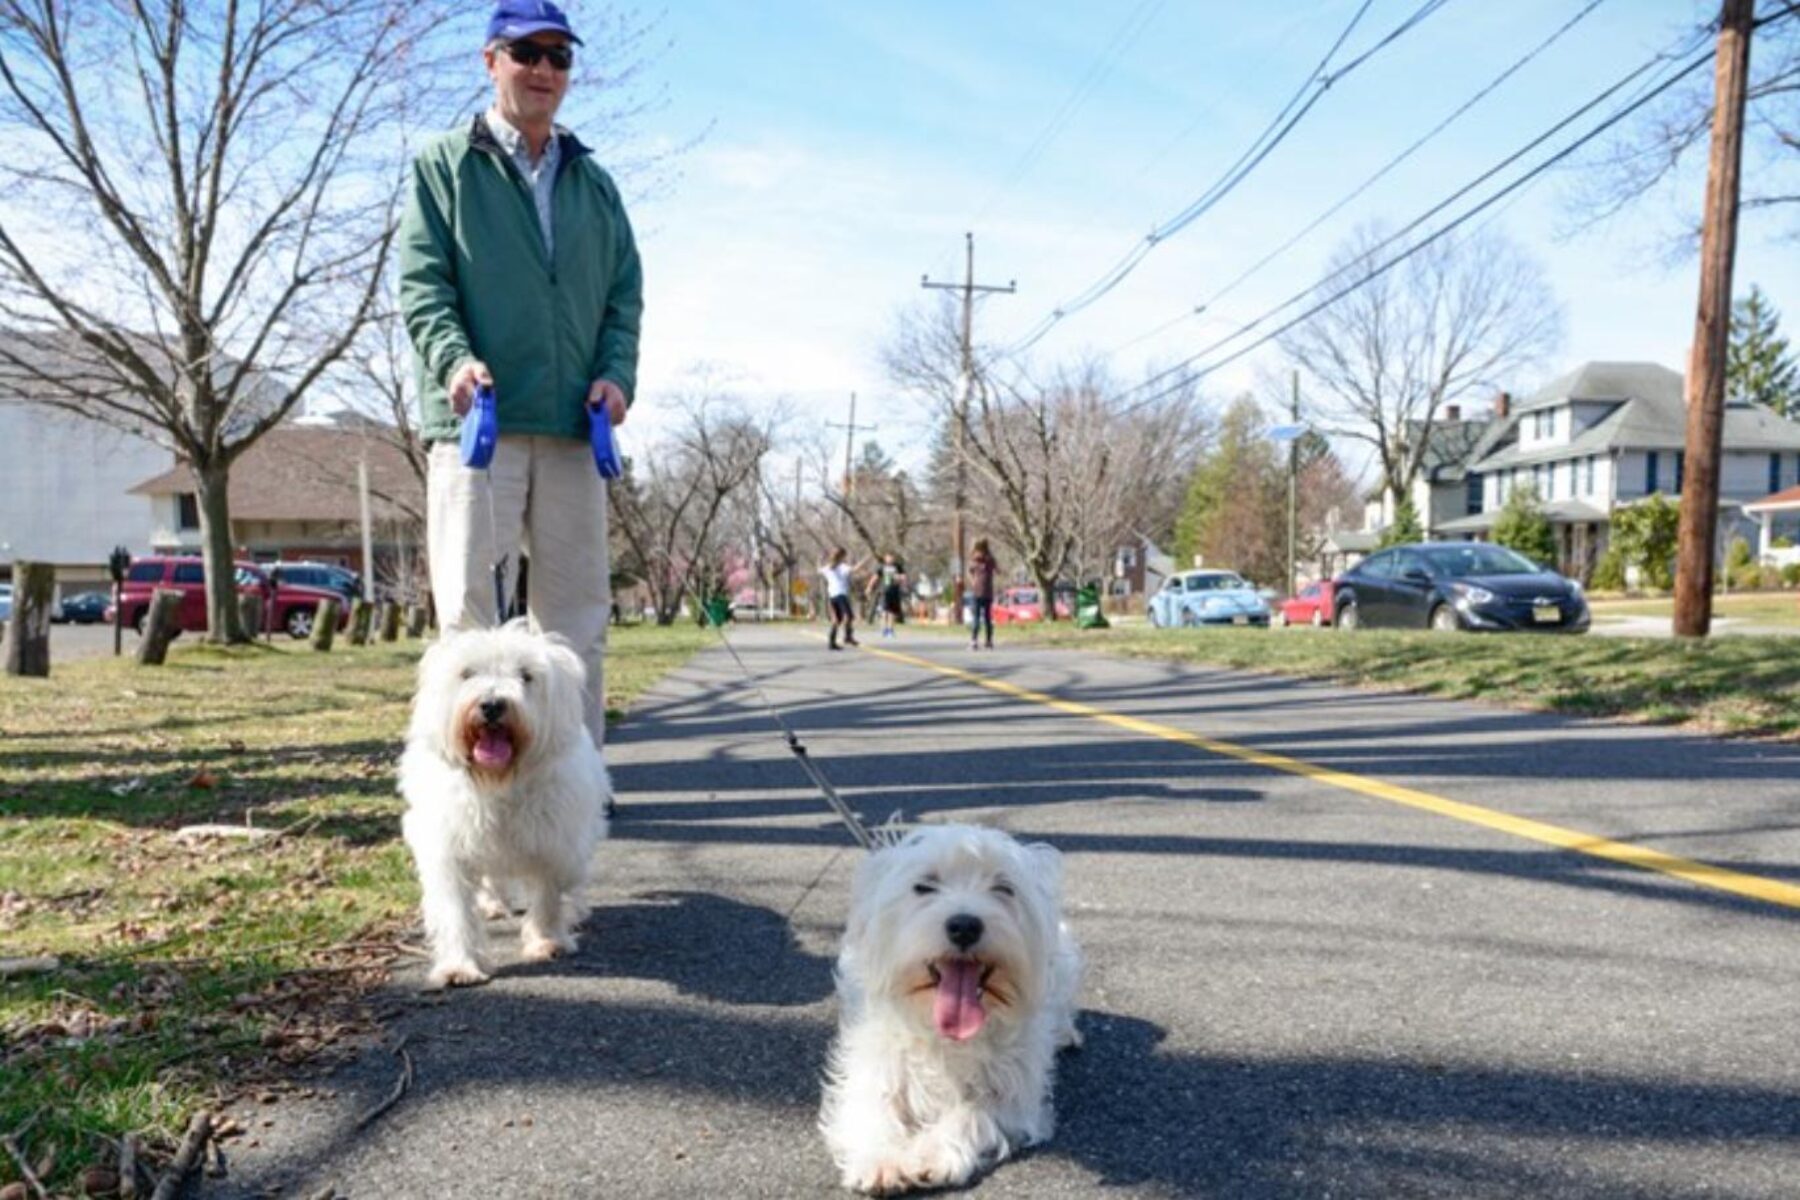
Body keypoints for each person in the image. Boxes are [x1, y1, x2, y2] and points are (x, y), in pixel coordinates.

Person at [398, 0, 642, 754]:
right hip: (482, 429)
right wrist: (453, 359)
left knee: (576, 627)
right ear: (490, 61)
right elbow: (422, 282)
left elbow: (623, 294)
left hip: (573, 428)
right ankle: (467, 790)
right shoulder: (443, 164)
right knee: (470, 622)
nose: (543, 70)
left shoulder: (593, 182)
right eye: (526, 52)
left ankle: (573, 784)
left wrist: (615, 376)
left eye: (558, 56)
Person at [821, 548, 866, 651]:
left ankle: (832, 642)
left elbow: (818, 569)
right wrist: (866, 559)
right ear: (842, 556)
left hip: (832, 597)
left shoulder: (827, 567)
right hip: (841, 595)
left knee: (837, 620)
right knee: (849, 616)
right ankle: (847, 637)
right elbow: (855, 569)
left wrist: (820, 559)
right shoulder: (842, 567)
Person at [967, 538, 999, 650]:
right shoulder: (990, 559)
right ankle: (989, 641)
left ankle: (974, 641)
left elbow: (970, 572)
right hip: (988, 592)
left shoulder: (974, 559)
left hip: (976, 592)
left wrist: (973, 581)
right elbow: (998, 570)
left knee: (976, 617)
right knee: (987, 618)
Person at [868, 553, 908, 639]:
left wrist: (902, 581)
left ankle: (890, 630)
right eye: (888, 558)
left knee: (892, 612)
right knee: (884, 612)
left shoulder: (898, 567)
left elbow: (904, 577)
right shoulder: (881, 567)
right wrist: (869, 587)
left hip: (895, 591)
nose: (890, 559)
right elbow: (875, 578)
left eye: (892, 557)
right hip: (884, 591)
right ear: (885, 558)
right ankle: (884, 629)